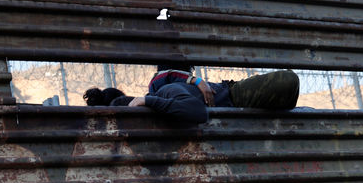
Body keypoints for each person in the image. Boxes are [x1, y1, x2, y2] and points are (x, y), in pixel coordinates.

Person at [83, 65, 300, 124]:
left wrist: (150, 99)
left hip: (237, 95)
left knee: (289, 80)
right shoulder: (160, 100)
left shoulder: (163, 90)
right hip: (241, 106)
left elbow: (197, 112)